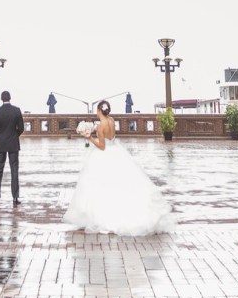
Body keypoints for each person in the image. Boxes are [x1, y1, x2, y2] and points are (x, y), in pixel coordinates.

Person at [63, 99, 173, 235]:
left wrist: (89, 137)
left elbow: (102, 146)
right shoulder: (111, 120)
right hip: (116, 151)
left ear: (98, 110)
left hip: (103, 155)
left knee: (100, 186)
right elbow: (111, 138)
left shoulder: (101, 126)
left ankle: (103, 216)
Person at [0, 90, 24, 207]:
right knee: (14, 170)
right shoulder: (16, 111)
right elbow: (21, 128)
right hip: (13, 144)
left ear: (1, 99)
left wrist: (1, 136)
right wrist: (15, 135)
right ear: (10, 98)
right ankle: (15, 197)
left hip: (1, 144)